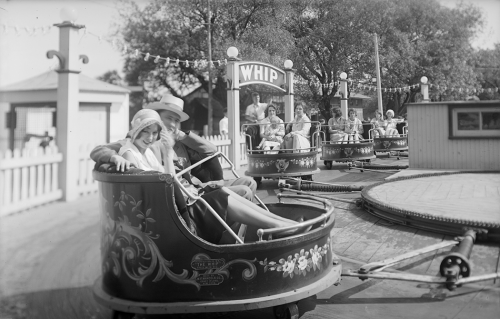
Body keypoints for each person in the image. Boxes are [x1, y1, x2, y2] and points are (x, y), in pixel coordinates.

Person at [116, 112, 310, 244]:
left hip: (183, 196)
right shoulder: (130, 152)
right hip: (174, 207)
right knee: (223, 195)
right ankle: (277, 226)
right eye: (145, 132)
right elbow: (163, 182)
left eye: (153, 133)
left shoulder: (149, 150)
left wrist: (173, 149)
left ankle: (284, 224)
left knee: (226, 191)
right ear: (135, 131)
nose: (150, 138)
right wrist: (114, 156)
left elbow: (172, 176)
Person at [90, 93, 257, 201]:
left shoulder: (181, 142)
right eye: (170, 118)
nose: (174, 124)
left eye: (177, 120)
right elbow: (99, 150)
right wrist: (114, 157)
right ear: (157, 118)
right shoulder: (141, 142)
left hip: (196, 188)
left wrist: (181, 135)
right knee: (244, 191)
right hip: (182, 196)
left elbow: (212, 150)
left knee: (249, 182)